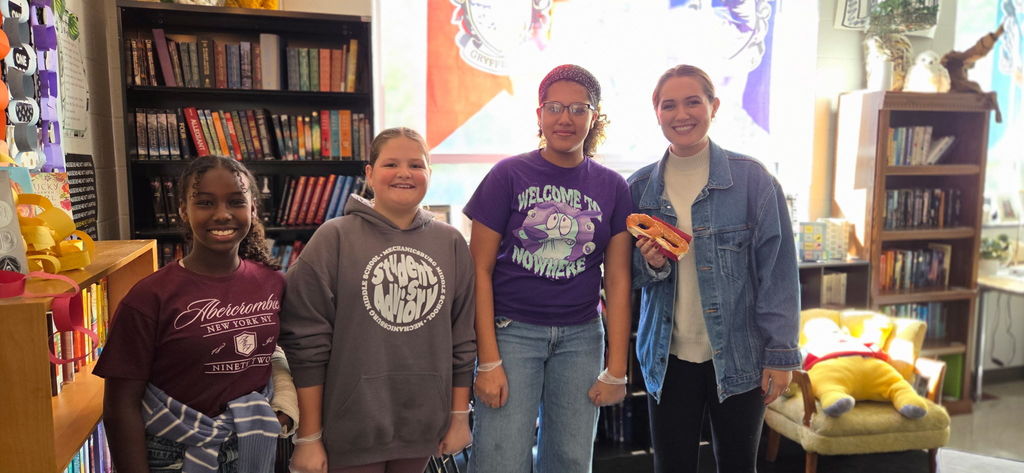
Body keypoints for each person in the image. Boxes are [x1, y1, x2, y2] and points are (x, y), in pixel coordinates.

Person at [627, 64, 801, 473]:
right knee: (672, 467)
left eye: (693, 102)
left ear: (713, 106)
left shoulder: (753, 181)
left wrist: (781, 355)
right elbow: (623, 278)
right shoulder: (637, 190)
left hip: (740, 356)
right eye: (669, 105)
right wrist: (649, 264)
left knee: (739, 465)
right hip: (666, 359)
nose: (681, 114)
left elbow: (778, 274)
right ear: (657, 113)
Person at [465, 64, 634, 473]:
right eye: (555, 107)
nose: (566, 118)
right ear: (539, 113)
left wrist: (617, 368)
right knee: (500, 460)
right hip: (512, 335)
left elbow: (617, 279)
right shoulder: (508, 174)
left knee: (572, 461)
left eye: (579, 108)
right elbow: (478, 272)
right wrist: (487, 360)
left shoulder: (613, 186)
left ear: (595, 117)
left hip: (581, 338)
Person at [280, 127, 476, 473]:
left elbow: (462, 339)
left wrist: (459, 417)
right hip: (350, 428)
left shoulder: (451, 243)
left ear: (430, 174)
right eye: (391, 164)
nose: (404, 173)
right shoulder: (333, 238)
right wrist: (308, 437)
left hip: (421, 425)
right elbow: (306, 345)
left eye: (416, 164)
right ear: (369, 174)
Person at [96, 155, 289, 473]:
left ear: (253, 208)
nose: (222, 214)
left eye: (236, 202)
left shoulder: (273, 282)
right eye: (205, 203)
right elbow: (120, 405)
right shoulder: (149, 297)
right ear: (183, 211)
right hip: (172, 454)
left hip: (252, 446)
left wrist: (285, 404)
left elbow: (285, 356)